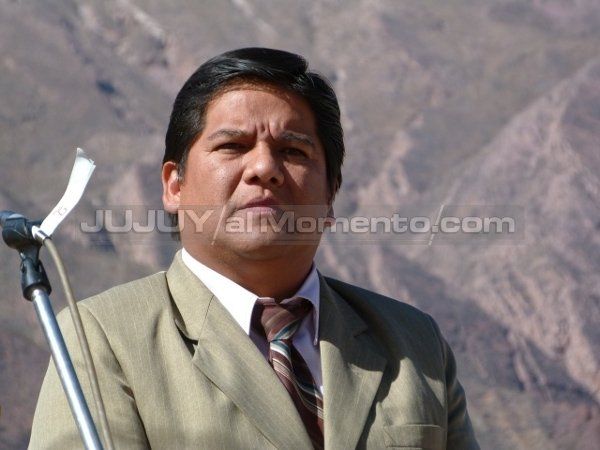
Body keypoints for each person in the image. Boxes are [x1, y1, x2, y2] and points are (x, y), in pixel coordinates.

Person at [29, 47, 479, 449]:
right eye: (233, 146)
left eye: (294, 151)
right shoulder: (100, 340)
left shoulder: (413, 343)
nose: (264, 167)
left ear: (330, 196)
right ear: (174, 186)